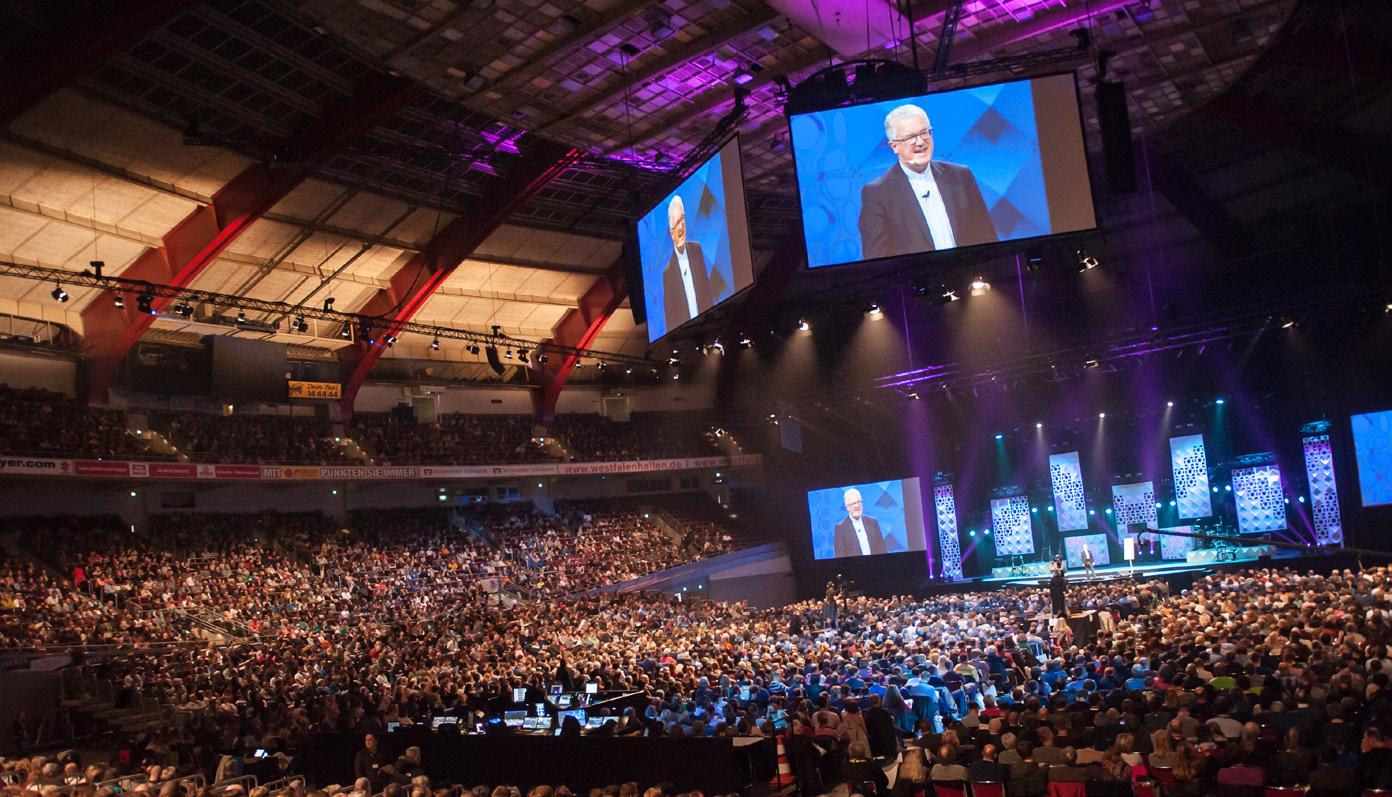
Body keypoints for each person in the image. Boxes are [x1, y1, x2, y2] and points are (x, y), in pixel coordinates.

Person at [858, 104, 997, 260]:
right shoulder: (877, 193)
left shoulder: (960, 176)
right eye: (910, 137)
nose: (920, 142)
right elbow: (877, 258)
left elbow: (986, 235)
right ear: (894, 146)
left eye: (924, 133)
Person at [659, 195, 724, 331]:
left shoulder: (696, 250)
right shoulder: (668, 274)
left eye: (682, 220)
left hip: (708, 324)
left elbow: (707, 291)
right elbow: (670, 320)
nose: (681, 227)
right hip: (689, 331)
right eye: (676, 224)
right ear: (671, 233)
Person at [831, 488, 894, 557]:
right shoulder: (841, 528)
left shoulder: (873, 522)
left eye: (859, 502)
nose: (857, 506)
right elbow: (840, 556)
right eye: (854, 503)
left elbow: (882, 549)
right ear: (847, 507)